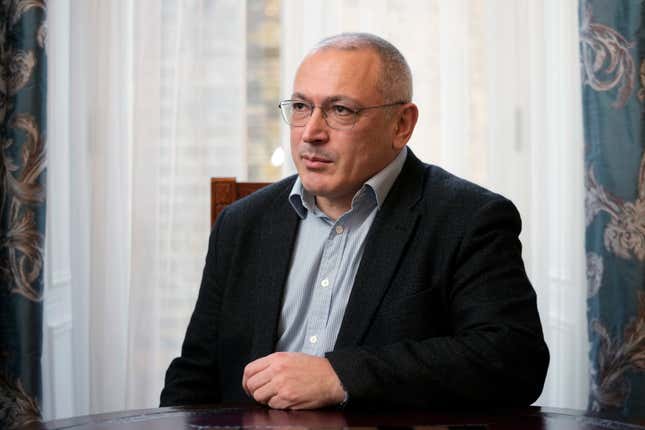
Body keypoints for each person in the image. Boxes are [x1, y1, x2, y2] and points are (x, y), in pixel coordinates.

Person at [160, 32, 549, 410]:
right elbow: (193, 379)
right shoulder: (241, 223)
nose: (311, 133)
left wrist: (341, 377)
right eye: (300, 107)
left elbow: (513, 360)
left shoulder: (468, 218)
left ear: (401, 125)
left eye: (340, 110)